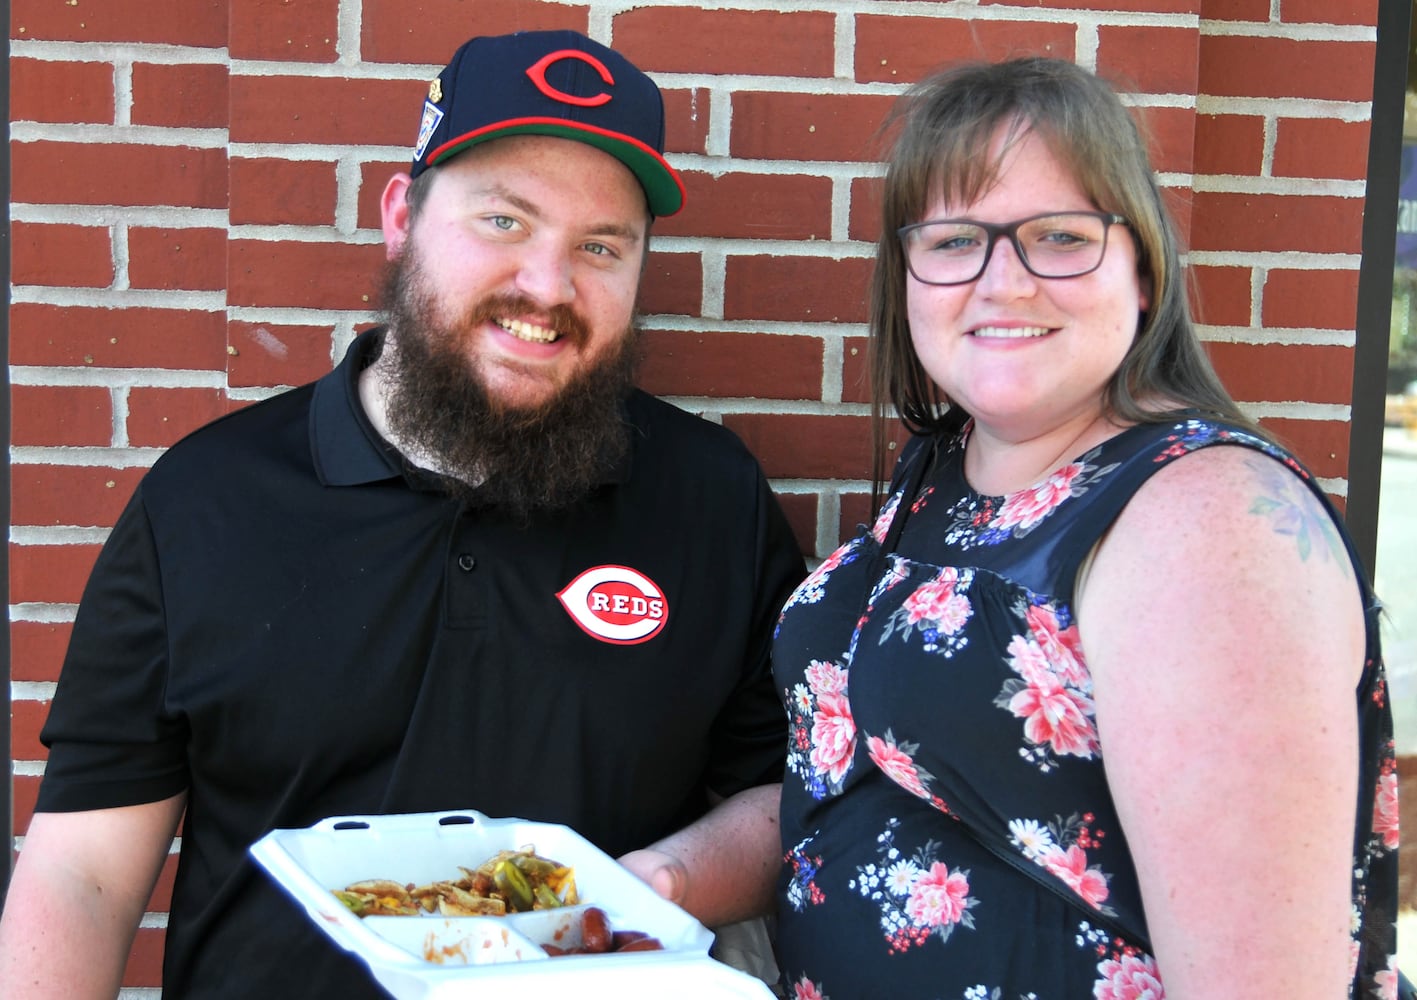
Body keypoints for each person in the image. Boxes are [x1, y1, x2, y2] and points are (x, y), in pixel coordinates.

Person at [0, 30, 805, 998]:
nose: (548, 288)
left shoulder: (709, 499)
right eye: (504, 221)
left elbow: (788, 800)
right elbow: (80, 875)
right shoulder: (206, 503)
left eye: (600, 246)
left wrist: (651, 886)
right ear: (400, 216)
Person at [772, 57, 1401, 999]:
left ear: (1141, 271)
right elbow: (864, 771)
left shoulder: (1207, 521)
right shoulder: (940, 474)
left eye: (1059, 237)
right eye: (953, 241)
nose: (1002, 282)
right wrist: (661, 878)